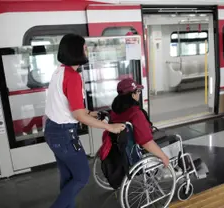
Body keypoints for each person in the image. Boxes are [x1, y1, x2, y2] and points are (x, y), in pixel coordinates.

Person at [44, 34, 125, 208]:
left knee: (68, 178)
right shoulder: (73, 76)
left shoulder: (59, 71)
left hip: (52, 131)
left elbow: (68, 105)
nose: (87, 50)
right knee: (81, 177)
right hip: (64, 134)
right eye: (84, 47)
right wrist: (109, 127)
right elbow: (79, 116)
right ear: (75, 50)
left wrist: (88, 112)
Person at [109, 78, 170, 167]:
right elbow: (146, 142)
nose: (139, 93)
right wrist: (163, 156)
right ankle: (185, 166)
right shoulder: (136, 114)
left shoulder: (115, 111)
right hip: (139, 151)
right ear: (133, 95)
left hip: (123, 150)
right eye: (138, 91)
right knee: (175, 139)